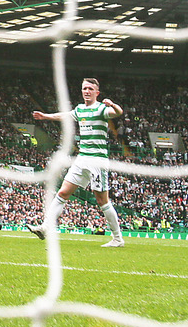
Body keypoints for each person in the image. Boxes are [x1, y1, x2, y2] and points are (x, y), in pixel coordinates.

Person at [29, 78, 126, 247]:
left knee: (102, 201)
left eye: (90, 89)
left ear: (97, 92)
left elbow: (118, 112)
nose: (87, 91)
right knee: (63, 193)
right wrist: (45, 116)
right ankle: (45, 228)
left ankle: (117, 238)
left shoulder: (101, 109)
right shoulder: (80, 109)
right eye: (84, 88)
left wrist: (112, 105)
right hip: (82, 159)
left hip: (97, 160)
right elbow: (64, 116)